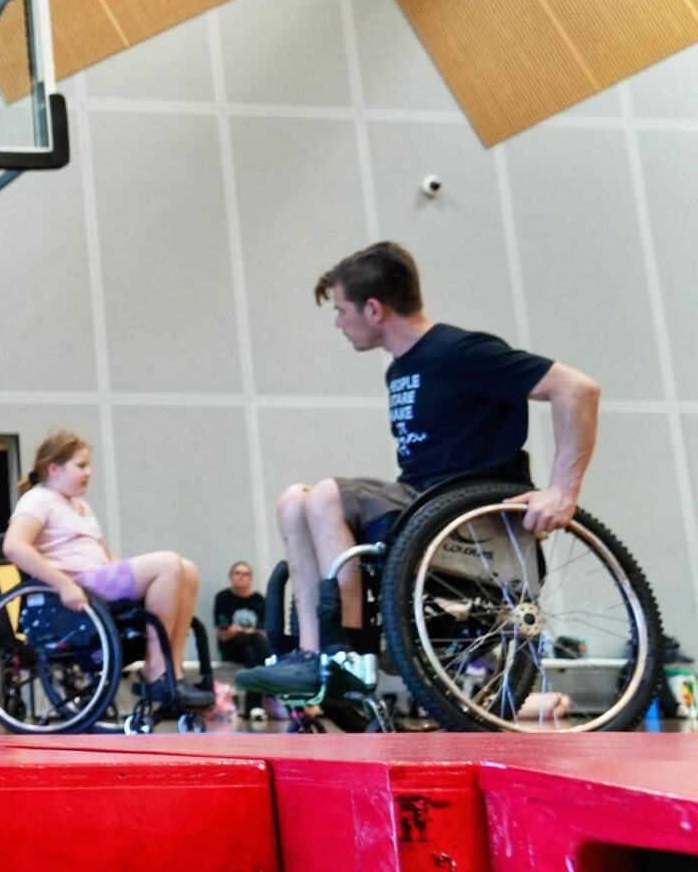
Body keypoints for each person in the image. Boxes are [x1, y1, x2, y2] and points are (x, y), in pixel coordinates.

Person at [235, 242, 600, 699]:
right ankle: (313, 655)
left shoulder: (459, 351)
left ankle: (346, 653)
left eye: (341, 309)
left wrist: (562, 491)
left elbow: (577, 389)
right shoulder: (400, 369)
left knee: (328, 493)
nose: (338, 323)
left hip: (470, 515)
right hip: (423, 508)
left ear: (373, 309)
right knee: (294, 500)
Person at [4, 431, 213, 718]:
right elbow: (14, 547)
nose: (88, 473)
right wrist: (63, 584)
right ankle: (155, 669)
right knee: (168, 563)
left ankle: (172, 671)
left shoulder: (80, 506)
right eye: (81, 466)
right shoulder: (38, 499)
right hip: (73, 588)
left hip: (98, 581)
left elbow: (108, 558)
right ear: (54, 468)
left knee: (186, 570)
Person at [213, 561, 270, 721]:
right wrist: (249, 632)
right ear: (230, 577)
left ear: (250, 578)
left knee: (251, 654)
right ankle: (272, 669)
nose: (240, 577)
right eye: (237, 573)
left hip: (252, 649)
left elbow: (265, 630)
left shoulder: (259, 599)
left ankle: (254, 709)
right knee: (257, 640)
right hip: (231, 648)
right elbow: (224, 634)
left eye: (245, 574)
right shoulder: (223, 598)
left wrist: (242, 630)